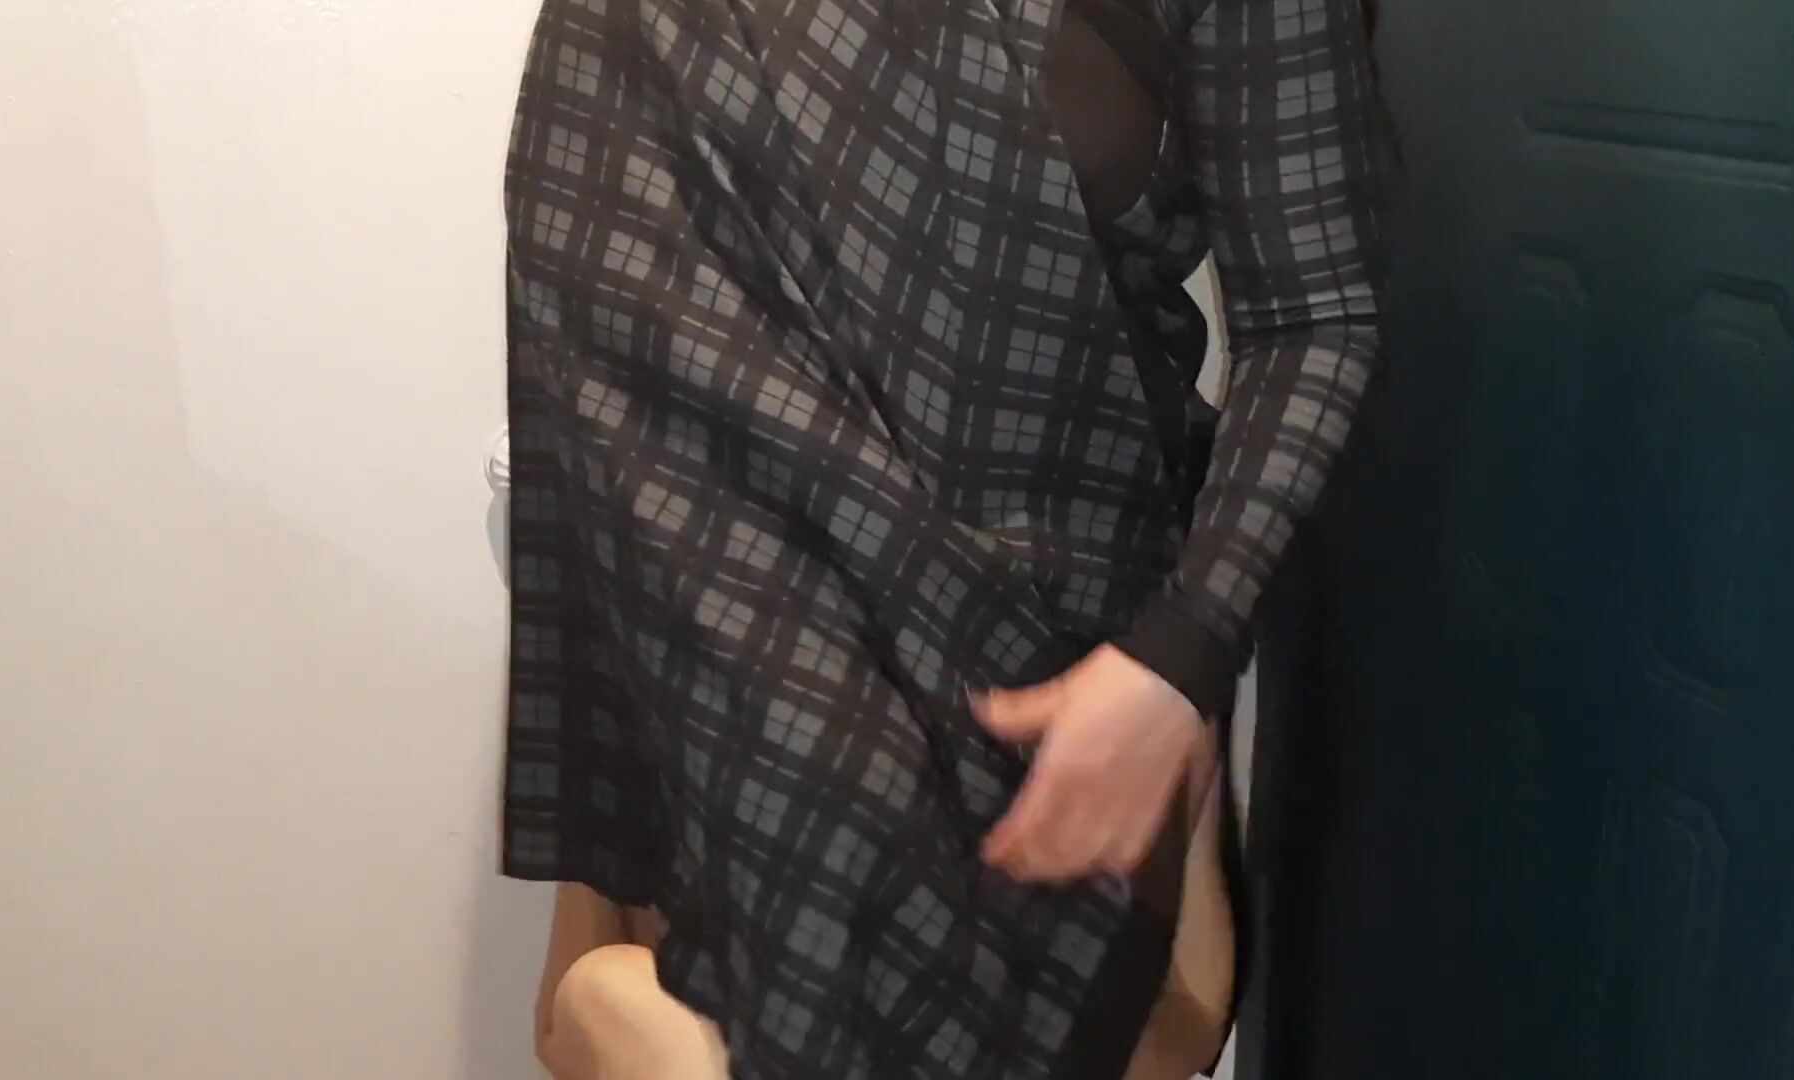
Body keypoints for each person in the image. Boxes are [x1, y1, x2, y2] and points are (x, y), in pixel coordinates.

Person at [500, 0, 1388, 1075]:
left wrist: (1184, 650)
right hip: (739, 595)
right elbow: (603, 243)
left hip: (1066, 631)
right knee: (827, 824)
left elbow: (1316, 316)